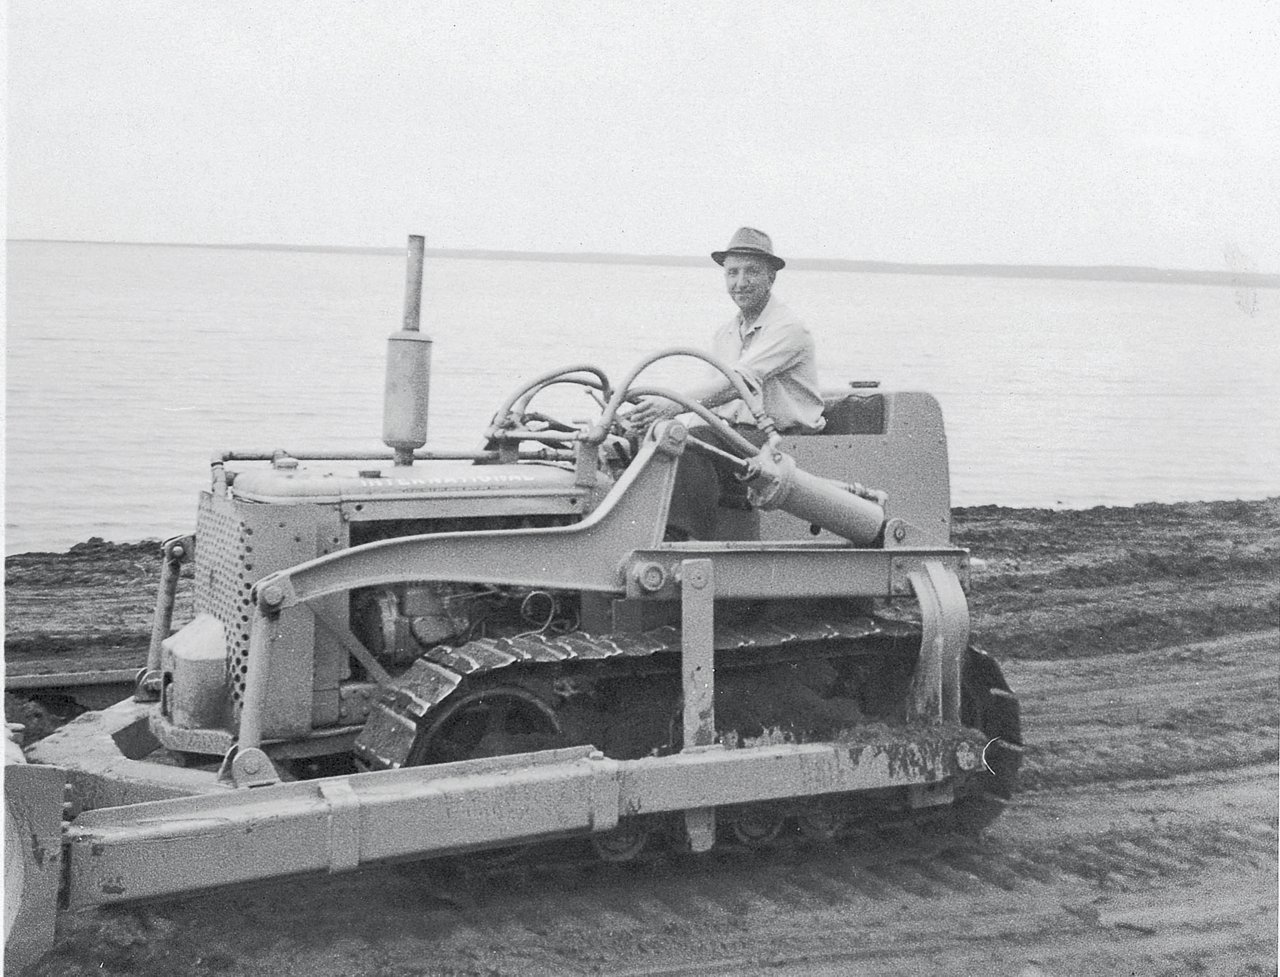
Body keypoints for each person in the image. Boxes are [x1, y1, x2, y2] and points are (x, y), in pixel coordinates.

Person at [628, 227, 825, 539]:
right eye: (732, 273)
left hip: (784, 442)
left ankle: (682, 541)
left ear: (771, 278)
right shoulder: (725, 333)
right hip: (738, 436)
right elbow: (713, 401)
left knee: (694, 445)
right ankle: (643, 529)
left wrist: (671, 406)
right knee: (654, 439)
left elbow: (738, 384)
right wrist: (654, 420)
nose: (740, 282)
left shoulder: (788, 329)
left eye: (752, 272)